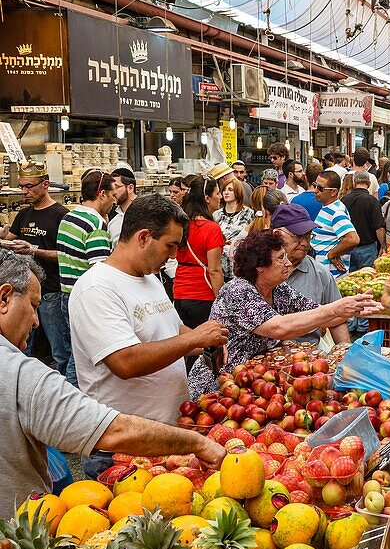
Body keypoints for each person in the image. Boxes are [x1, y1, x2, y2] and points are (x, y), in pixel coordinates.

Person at [0, 250, 224, 515]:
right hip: (13, 539)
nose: (37, 321)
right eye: (34, 306)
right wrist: (198, 443)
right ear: (4, 298)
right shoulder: (20, 374)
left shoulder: (151, 280)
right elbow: (113, 430)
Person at [69, 194, 228, 427]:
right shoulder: (96, 288)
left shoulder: (150, 278)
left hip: (167, 428)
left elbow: (172, 330)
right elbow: (125, 362)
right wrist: (195, 337)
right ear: (143, 237)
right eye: (170, 246)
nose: (174, 255)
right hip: (125, 439)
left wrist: (208, 343)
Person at [187, 230, 379, 396]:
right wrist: (336, 308)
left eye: (285, 256)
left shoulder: (278, 289)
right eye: (280, 258)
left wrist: (356, 308)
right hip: (221, 385)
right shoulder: (239, 290)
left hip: (255, 382)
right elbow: (279, 327)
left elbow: (316, 313)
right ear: (259, 266)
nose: (288, 263)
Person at [0, 164, 69, 373]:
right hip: (21, 291)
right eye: (21, 187)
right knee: (19, 347)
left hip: (51, 291)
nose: (25, 192)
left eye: (29, 186)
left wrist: (33, 250)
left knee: (60, 351)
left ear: (45, 184)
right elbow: (8, 239)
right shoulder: (23, 214)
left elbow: (65, 255)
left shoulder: (61, 215)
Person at [57, 170, 115, 386]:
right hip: (84, 300)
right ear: (101, 194)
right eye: (111, 196)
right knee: (81, 358)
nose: (113, 202)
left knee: (73, 351)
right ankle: (74, 399)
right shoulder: (95, 225)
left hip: (66, 295)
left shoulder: (68, 217)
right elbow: (100, 270)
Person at [270, 203, 350, 345]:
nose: (304, 243)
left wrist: (344, 353)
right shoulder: (259, 272)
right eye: (297, 236)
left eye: (308, 236)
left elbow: (337, 319)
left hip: (308, 356)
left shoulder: (320, 273)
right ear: (277, 235)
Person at [173, 175, 225, 330]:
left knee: (187, 346)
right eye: (217, 193)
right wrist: (222, 301)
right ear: (207, 198)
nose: (220, 197)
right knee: (209, 347)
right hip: (203, 294)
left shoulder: (181, 224)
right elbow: (214, 270)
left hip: (180, 291)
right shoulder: (211, 228)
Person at [341, 171, 387, 333]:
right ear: (368, 184)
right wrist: (383, 247)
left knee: (349, 288)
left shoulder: (344, 201)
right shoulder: (372, 201)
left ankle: (350, 323)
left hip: (347, 249)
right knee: (367, 288)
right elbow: (379, 227)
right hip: (367, 248)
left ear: (354, 183)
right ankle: (364, 325)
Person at [311, 170, 359, 275]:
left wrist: (332, 254)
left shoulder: (336, 212)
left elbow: (353, 239)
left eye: (320, 188)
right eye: (315, 185)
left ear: (333, 192)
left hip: (330, 275)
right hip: (324, 273)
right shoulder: (328, 208)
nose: (315, 190)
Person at [213, 177, 254, 280]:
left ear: (238, 192)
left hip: (240, 266)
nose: (226, 193)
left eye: (230, 190)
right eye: (224, 190)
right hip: (220, 266)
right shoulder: (216, 215)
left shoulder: (248, 213)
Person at [107, 165, 137, 247]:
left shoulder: (145, 211)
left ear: (130, 188)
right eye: (111, 188)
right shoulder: (112, 214)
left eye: (117, 187)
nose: (113, 192)